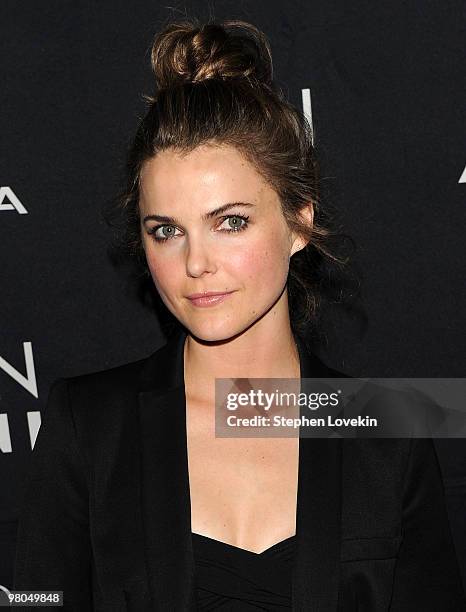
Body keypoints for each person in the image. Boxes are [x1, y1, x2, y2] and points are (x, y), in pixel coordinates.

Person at [13, 18, 466, 612]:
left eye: (230, 222)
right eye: (167, 230)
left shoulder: (382, 425)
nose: (196, 262)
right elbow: (32, 599)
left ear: (299, 222)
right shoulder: (91, 423)